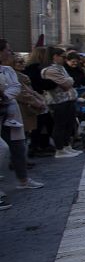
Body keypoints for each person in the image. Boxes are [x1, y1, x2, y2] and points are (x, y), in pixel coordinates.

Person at [0, 40, 44, 190]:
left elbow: (16, 88)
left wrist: (4, 96)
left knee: (18, 147)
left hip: (10, 114)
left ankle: (23, 179)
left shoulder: (7, 70)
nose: (10, 53)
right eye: (8, 50)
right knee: (3, 148)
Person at [40, 47, 81, 158]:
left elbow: (68, 81)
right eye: (63, 57)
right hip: (58, 101)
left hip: (68, 99)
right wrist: (69, 80)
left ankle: (67, 146)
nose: (64, 59)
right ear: (55, 57)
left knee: (69, 124)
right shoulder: (50, 70)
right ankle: (60, 149)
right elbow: (66, 83)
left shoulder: (60, 68)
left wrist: (69, 80)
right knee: (60, 125)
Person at [24, 46, 56, 157]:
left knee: (45, 123)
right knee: (39, 124)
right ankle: (36, 146)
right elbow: (38, 83)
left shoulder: (34, 68)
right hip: (36, 99)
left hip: (40, 98)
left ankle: (43, 144)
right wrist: (52, 83)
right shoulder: (34, 69)